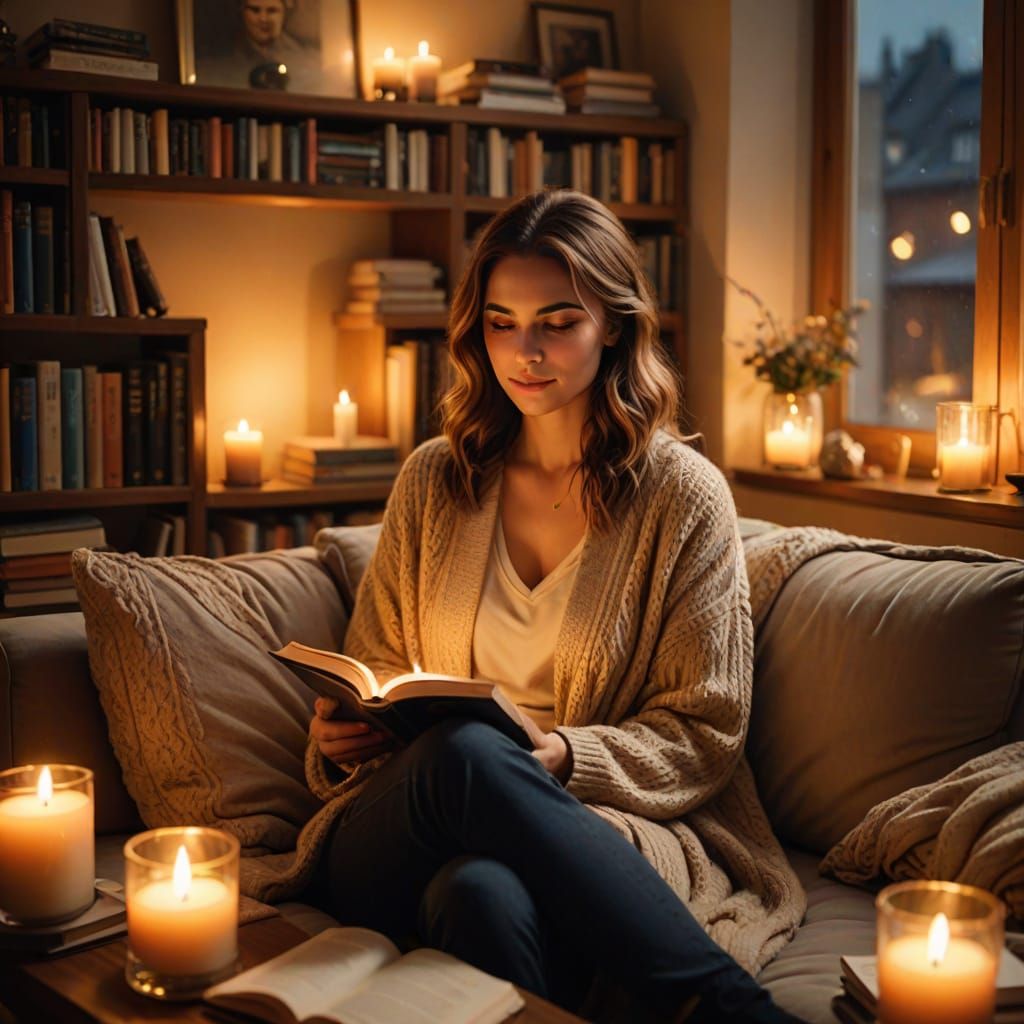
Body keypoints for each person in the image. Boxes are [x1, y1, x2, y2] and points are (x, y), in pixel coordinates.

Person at [308, 189, 805, 1023]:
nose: (524, 351)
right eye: (501, 322)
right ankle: (726, 1012)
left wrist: (568, 759)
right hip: (400, 827)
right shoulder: (436, 479)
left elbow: (706, 729)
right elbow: (379, 669)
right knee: (464, 752)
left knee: (479, 897)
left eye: (557, 321)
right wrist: (339, 733)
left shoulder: (683, 499)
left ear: (612, 324)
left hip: (583, 827)